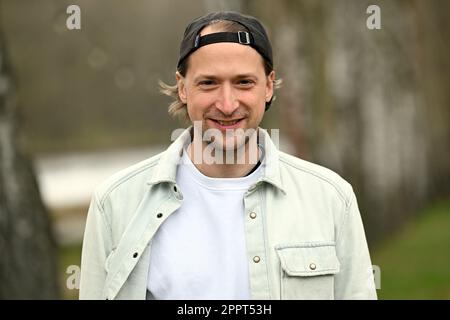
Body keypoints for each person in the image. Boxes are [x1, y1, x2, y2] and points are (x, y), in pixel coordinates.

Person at [79, 11, 377, 300]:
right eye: (208, 83)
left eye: (243, 82)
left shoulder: (331, 198)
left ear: (269, 86)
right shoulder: (114, 204)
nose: (226, 103)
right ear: (183, 88)